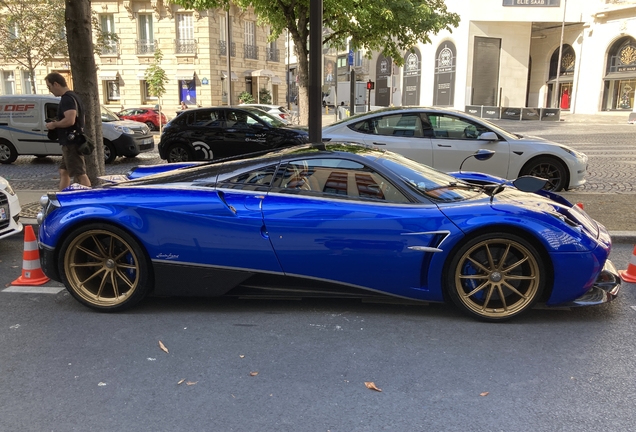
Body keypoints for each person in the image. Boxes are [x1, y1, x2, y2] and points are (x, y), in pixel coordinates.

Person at [44, 72, 91, 191]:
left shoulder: (67, 99)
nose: (50, 90)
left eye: (49, 87)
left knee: (80, 173)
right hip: (72, 140)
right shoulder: (74, 97)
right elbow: (81, 120)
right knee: (63, 171)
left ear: (56, 84)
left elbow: (70, 120)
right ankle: (63, 196)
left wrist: (54, 124)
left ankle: (90, 198)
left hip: (72, 142)